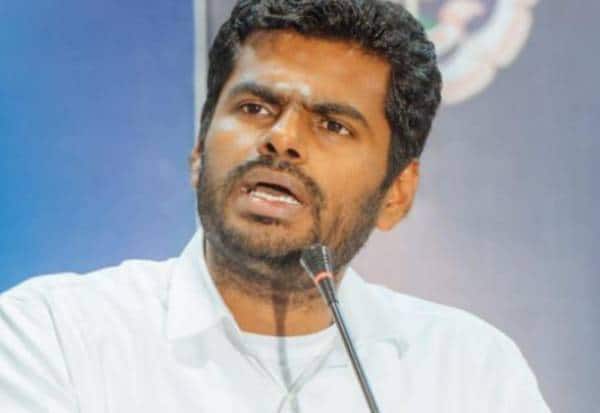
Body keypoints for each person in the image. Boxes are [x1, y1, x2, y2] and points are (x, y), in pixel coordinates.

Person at [0, 1, 551, 412]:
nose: (282, 139)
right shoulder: (54, 336)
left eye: (333, 125)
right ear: (198, 150)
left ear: (396, 193)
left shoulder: (469, 371)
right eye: (255, 107)